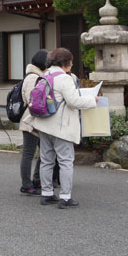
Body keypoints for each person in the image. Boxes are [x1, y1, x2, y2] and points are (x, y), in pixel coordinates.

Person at [31, 47, 98, 209]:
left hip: (44, 124)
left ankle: (46, 194)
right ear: (66, 63)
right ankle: (65, 196)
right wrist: (93, 100)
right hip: (61, 126)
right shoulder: (64, 78)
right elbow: (73, 101)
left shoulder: (44, 75)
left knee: (46, 160)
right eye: (71, 62)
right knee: (65, 161)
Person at [18, 49, 47, 195]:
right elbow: (32, 101)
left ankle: (37, 180)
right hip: (31, 121)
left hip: (39, 121)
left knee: (45, 152)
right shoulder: (33, 77)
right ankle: (26, 184)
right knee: (28, 153)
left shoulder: (38, 76)